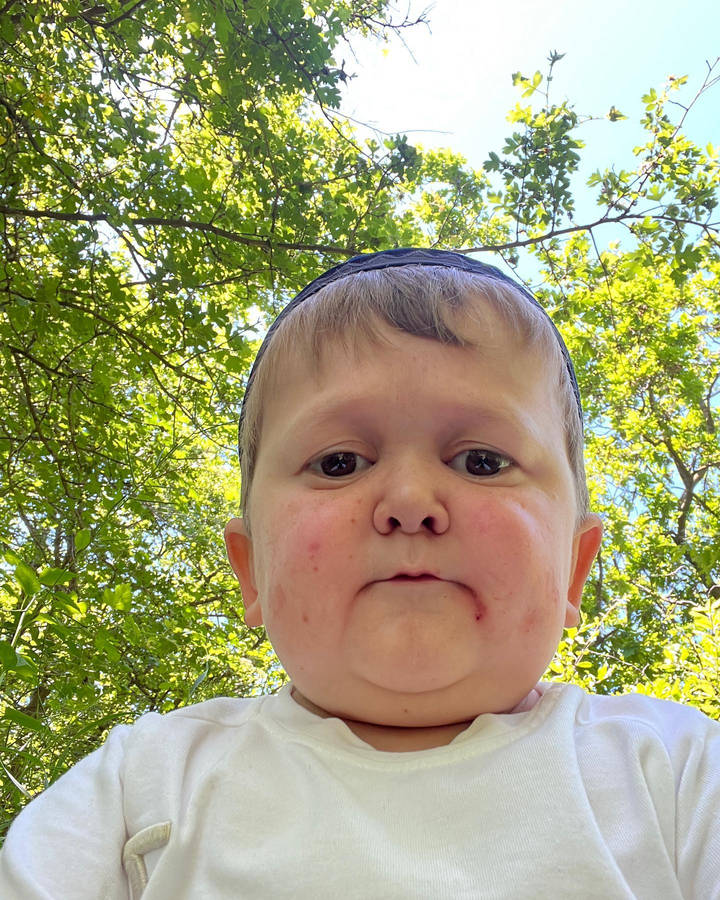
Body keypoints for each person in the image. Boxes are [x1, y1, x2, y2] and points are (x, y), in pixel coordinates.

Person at [1, 248, 718, 899]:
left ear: (574, 569)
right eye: (339, 462)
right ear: (252, 573)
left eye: (481, 461)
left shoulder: (676, 773)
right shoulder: (146, 783)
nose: (409, 502)